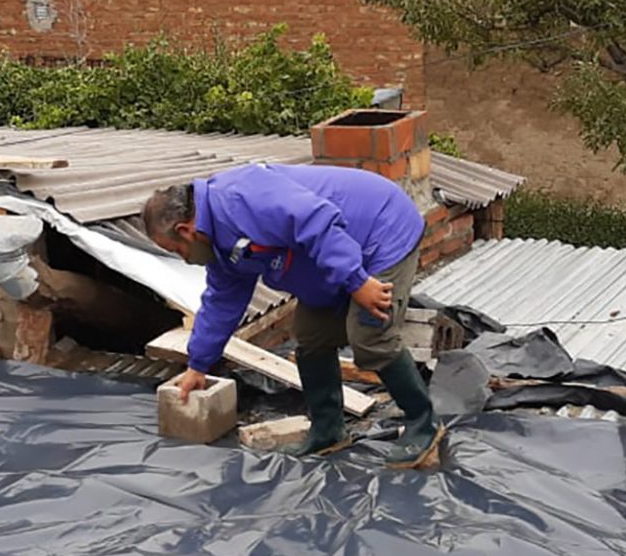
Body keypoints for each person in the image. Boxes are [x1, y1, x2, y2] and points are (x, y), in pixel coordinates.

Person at [143, 163, 444, 468]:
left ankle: (424, 423)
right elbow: (222, 301)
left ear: (185, 231)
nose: (183, 258)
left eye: (176, 250)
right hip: (334, 256)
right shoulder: (217, 244)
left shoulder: (242, 198)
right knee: (310, 335)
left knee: (370, 335)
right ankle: (328, 430)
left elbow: (317, 222)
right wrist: (198, 365)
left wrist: (357, 282)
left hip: (381, 231)